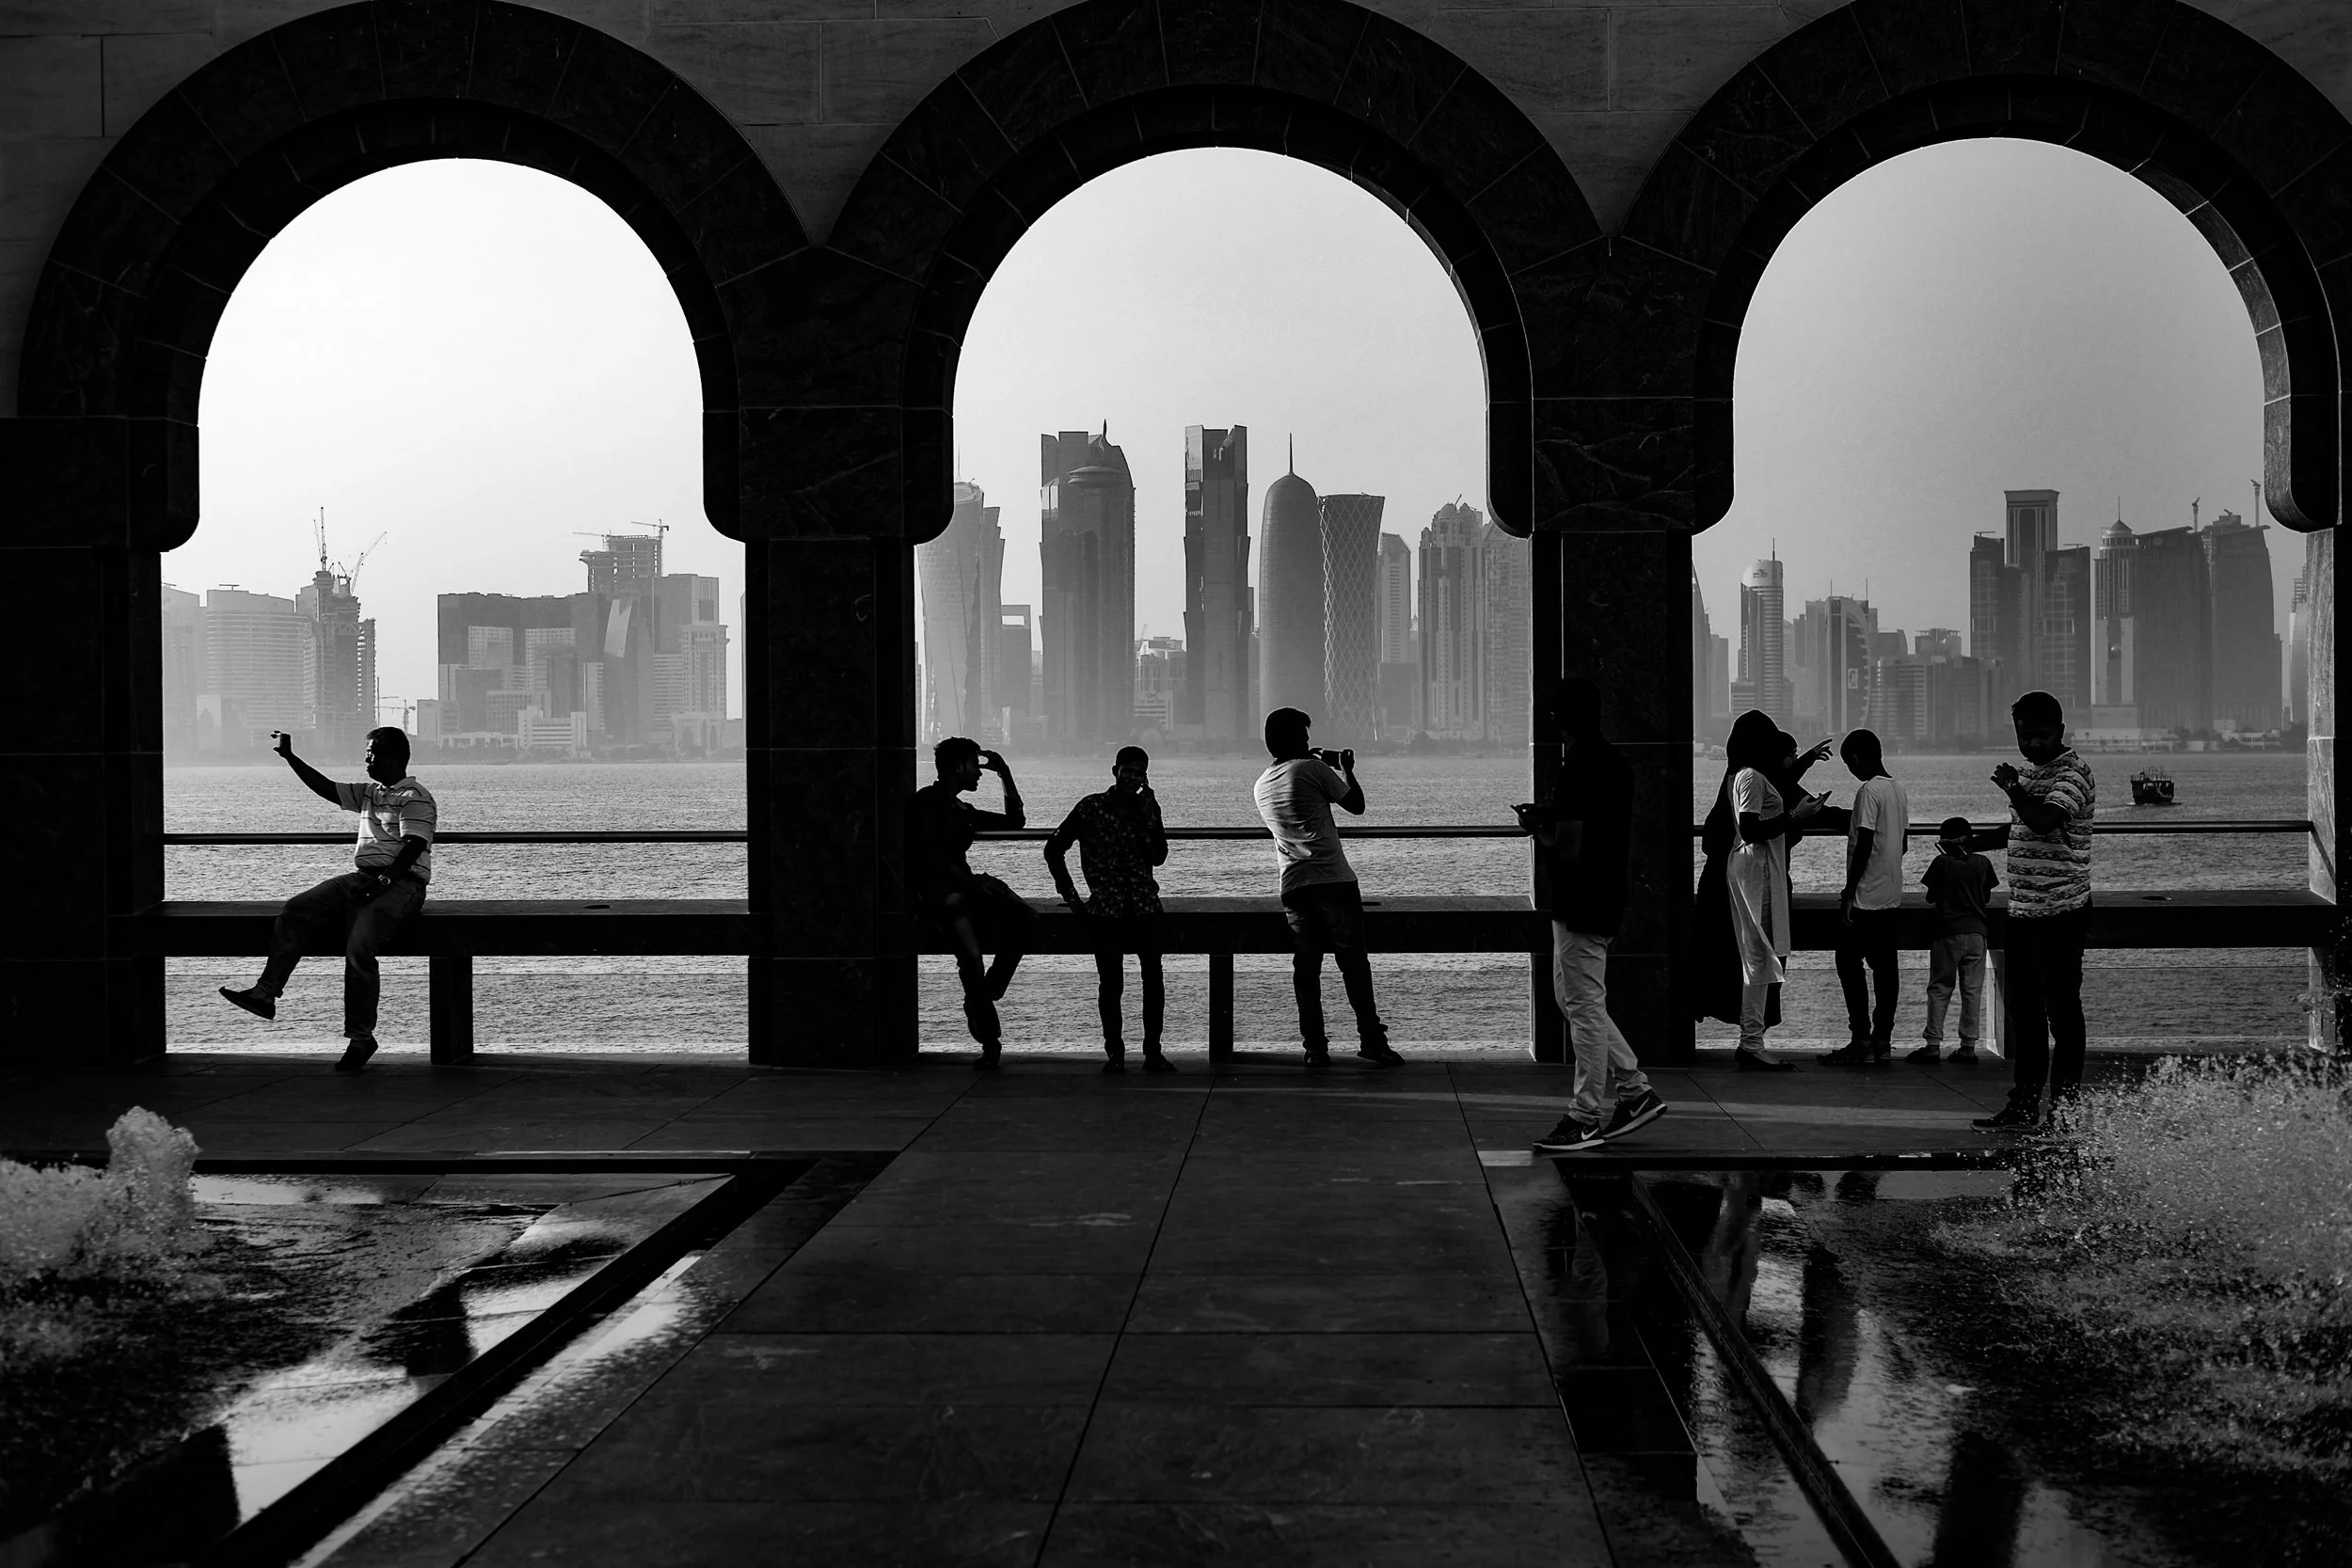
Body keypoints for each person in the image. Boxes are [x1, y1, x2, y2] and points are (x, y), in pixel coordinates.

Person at [217, 728, 436, 1072]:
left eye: (372, 753)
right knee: (297, 909)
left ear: (392, 757)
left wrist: (380, 883)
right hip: (364, 878)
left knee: (360, 947)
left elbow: (413, 846)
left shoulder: (414, 796)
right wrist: (290, 758)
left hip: (399, 885)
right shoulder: (369, 793)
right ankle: (265, 992)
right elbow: (326, 788)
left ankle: (362, 1037)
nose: (366, 759)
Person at [1523, 677, 1668, 1154]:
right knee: (1575, 1000)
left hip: (1580, 902)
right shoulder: (1614, 762)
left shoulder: (1576, 767)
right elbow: (1599, 827)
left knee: (1582, 1007)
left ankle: (1585, 1116)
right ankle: (1635, 1090)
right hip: (1605, 897)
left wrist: (1536, 829)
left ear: (1559, 718)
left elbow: (1567, 850)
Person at [1252, 707, 1399, 1069]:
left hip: (1294, 886)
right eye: (1304, 736)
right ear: (1294, 740)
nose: (1308, 742)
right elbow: (1357, 805)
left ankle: (1315, 1049)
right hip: (1333, 882)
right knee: (1353, 965)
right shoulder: (1311, 769)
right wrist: (1346, 767)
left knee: (1307, 970)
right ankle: (1372, 1041)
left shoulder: (1261, 785)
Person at [1975, 691, 2096, 1131]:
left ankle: (2064, 1114)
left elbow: (2045, 820)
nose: (2033, 745)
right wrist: (1971, 843)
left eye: (2042, 736)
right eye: (2025, 736)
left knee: (2062, 1014)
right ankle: (2023, 1104)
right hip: (2023, 912)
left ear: (2060, 731)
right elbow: (2021, 826)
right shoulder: (2031, 774)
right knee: (2025, 1016)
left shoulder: (2073, 773)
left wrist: (2012, 787)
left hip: (2062, 913)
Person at [1694, 713, 1826, 1069]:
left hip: (1749, 876)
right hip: (1754, 879)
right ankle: (1751, 1042)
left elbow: (1776, 789)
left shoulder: (1742, 775)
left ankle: (1752, 1040)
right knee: (1758, 957)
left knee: (1758, 958)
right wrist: (1797, 817)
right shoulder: (1750, 777)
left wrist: (1806, 763)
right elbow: (1753, 827)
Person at [907, 737, 1035, 1070]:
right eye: (975, 766)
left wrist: (1005, 774)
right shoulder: (927, 802)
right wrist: (973, 885)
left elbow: (1015, 821)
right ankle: (990, 1040)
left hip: (966, 887)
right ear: (958, 767)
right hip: (942, 894)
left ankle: (991, 989)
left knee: (1028, 918)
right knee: (971, 960)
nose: (979, 772)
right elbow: (927, 854)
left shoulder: (962, 810)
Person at [1046, 745, 1174, 1075]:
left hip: (1145, 905)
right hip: (1105, 909)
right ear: (1114, 771)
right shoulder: (1091, 807)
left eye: (1139, 773)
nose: (1132, 777)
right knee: (1111, 984)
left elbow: (1159, 855)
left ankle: (1153, 1052)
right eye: (1127, 771)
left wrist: (1149, 816)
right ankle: (1115, 1054)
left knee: (1153, 981)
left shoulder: (1148, 807)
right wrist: (1072, 897)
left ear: (1145, 776)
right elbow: (1054, 849)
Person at [1822, 729, 1908, 1066]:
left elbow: (1865, 840)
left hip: (1865, 897)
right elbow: (1901, 843)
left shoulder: (1869, 790)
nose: (1849, 770)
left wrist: (1848, 893)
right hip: (1890, 894)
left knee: (1847, 963)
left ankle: (1860, 1038)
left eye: (1848, 763)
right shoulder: (1897, 789)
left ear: (1856, 758)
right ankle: (1882, 1040)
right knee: (1886, 970)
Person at [1911, 816, 1996, 1064]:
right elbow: (1986, 897)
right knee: (1972, 990)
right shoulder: (1983, 863)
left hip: (1946, 933)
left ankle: (1933, 1044)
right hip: (1977, 934)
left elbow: (1930, 897)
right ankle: (1968, 1046)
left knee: (1940, 988)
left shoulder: (1941, 863)